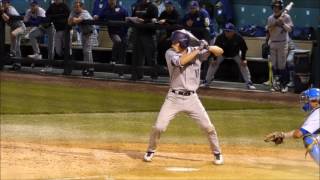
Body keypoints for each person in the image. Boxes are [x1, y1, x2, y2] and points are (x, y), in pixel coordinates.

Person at [143, 29, 224, 165]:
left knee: (208, 127)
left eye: (175, 42)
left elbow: (220, 52)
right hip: (173, 98)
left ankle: (217, 153)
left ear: (182, 42)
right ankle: (151, 150)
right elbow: (181, 61)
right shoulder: (170, 53)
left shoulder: (197, 50)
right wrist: (199, 49)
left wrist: (208, 47)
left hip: (192, 99)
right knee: (159, 127)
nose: (173, 44)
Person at [265, 88, 320, 165]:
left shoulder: (317, 113)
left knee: (309, 139)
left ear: (316, 101)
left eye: (308, 100)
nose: (305, 102)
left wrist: (282, 135)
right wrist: (283, 135)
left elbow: (298, 134)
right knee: (315, 136)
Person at [204, 23, 256, 90]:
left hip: (235, 53)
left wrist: (243, 59)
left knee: (243, 64)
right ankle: (207, 81)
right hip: (222, 53)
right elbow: (215, 48)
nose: (226, 32)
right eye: (225, 30)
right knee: (213, 63)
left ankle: (249, 83)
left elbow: (244, 49)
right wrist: (214, 59)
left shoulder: (239, 37)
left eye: (228, 31)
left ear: (233, 31)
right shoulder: (220, 37)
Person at [28, 0, 70, 73]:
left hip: (52, 27)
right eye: (32, 5)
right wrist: (53, 17)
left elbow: (67, 15)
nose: (33, 7)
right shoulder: (52, 6)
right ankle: (37, 53)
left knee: (52, 47)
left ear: (37, 5)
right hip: (43, 27)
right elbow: (47, 15)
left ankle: (49, 66)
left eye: (34, 5)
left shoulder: (64, 6)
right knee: (31, 35)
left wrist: (53, 17)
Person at [266, 0, 293, 93]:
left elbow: (290, 30)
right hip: (273, 42)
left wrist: (282, 24)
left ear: (281, 8)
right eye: (274, 7)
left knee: (282, 65)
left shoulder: (286, 17)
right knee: (274, 64)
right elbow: (269, 30)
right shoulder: (270, 18)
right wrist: (275, 23)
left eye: (278, 7)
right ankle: (275, 84)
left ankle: (284, 84)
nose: (276, 9)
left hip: (283, 42)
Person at [97, 0, 128, 78]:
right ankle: (113, 58)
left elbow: (127, 19)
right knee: (118, 41)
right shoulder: (105, 9)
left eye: (113, 0)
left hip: (123, 33)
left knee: (122, 53)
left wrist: (125, 31)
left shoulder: (122, 9)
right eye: (110, 0)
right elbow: (99, 16)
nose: (111, 1)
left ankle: (121, 72)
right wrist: (96, 17)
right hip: (113, 32)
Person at [130, 0, 158, 80]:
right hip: (137, 33)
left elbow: (155, 20)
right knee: (137, 56)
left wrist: (145, 21)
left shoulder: (153, 7)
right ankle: (137, 75)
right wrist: (130, 19)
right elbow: (133, 17)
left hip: (148, 34)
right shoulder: (137, 6)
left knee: (151, 56)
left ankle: (154, 75)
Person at [68, 1, 95, 76]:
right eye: (75, 6)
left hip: (91, 32)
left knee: (88, 51)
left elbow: (76, 20)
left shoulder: (85, 12)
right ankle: (86, 68)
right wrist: (73, 19)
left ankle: (91, 69)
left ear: (81, 7)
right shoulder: (73, 12)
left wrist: (73, 19)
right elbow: (69, 22)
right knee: (85, 51)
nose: (76, 8)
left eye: (78, 7)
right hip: (83, 33)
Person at [1, 0, 26, 70]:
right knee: (17, 45)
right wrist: (2, 12)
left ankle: (12, 53)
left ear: (8, 4)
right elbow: (6, 19)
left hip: (21, 27)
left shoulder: (11, 9)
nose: (4, 4)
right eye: (3, 3)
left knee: (13, 35)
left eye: (5, 3)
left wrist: (2, 12)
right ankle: (17, 64)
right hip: (13, 28)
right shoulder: (4, 11)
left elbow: (11, 17)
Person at [157, 0, 180, 66]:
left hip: (176, 36)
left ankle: (170, 64)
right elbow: (159, 19)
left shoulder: (175, 13)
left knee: (168, 46)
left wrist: (166, 20)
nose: (167, 8)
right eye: (166, 6)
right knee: (160, 45)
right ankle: (161, 65)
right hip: (167, 34)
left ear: (172, 6)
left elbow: (177, 21)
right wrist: (157, 20)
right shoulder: (164, 13)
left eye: (169, 6)